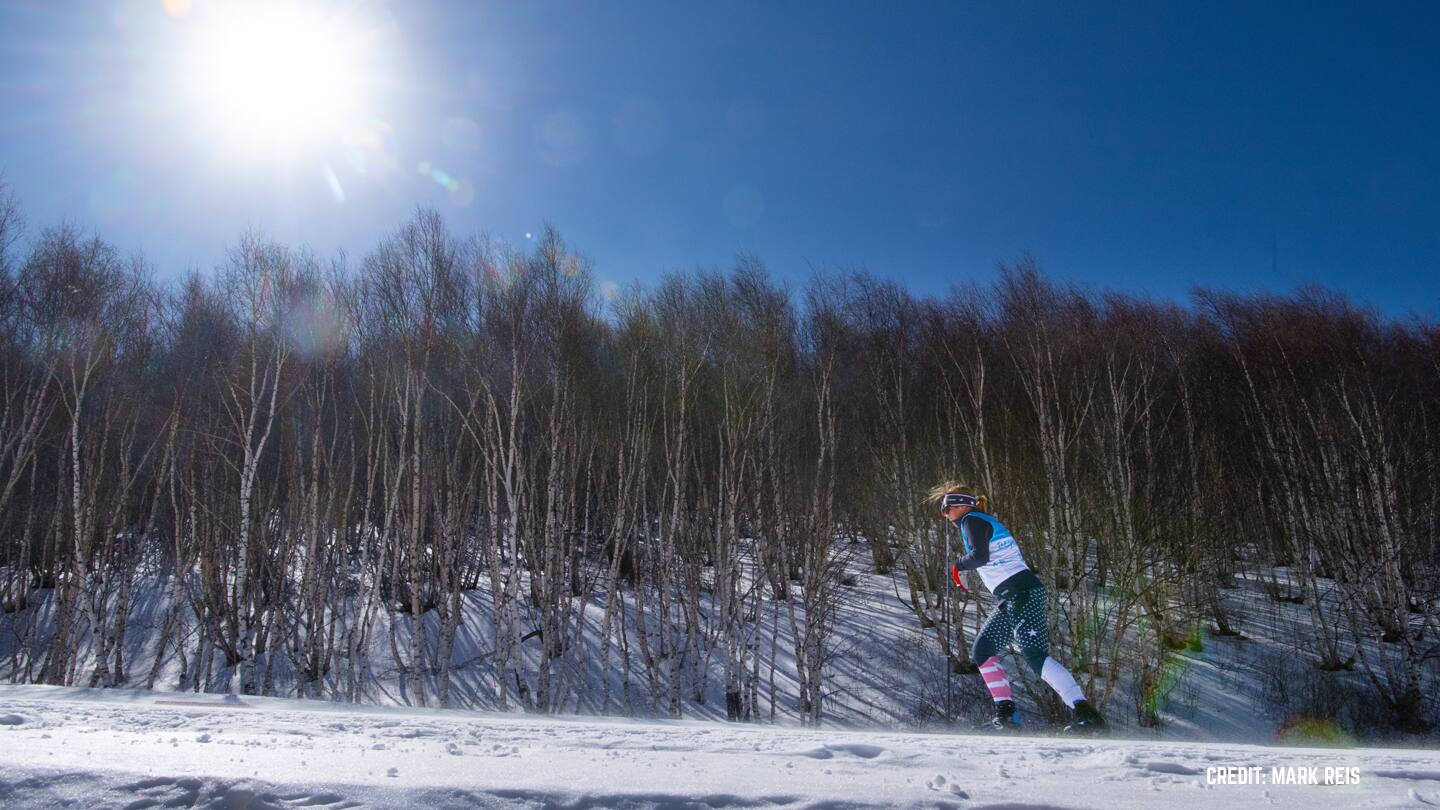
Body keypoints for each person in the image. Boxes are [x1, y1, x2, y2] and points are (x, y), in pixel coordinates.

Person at [932, 482, 1105, 734]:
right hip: (1011, 596)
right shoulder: (975, 520)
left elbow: (980, 557)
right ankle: (1007, 717)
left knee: (1034, 654)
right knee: (983, 650)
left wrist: (957, 565)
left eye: (946, 509)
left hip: (1022, 592)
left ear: (960, 506)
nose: (944, 515)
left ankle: (1088, 717)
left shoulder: (972, 520)